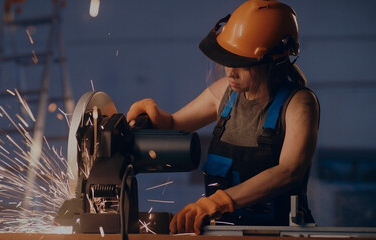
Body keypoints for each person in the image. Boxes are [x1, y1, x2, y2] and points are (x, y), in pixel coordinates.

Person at [126, 0, 320, 235]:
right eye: (228, 60)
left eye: (241, 64)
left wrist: (217, 202)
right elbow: (174, 124)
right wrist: (153, 114)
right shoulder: (224, 94)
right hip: (225, 234)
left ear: (275, 60)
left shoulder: (299, 103)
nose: (230, 72)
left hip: (279, 235)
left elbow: (290, 171)